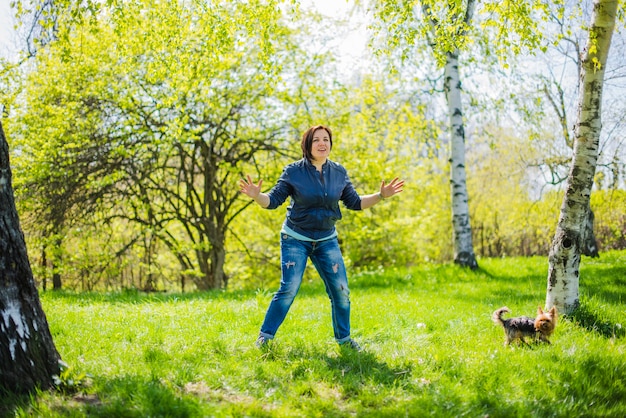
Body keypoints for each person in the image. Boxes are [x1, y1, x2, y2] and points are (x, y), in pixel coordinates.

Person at [239, 125, 404, 350]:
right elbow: (273, 201)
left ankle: (344, 340)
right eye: (316, 140)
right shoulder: (293, 171)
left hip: (327, 239)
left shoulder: (338, 172)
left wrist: (381, 196)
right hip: (295, 237)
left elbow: (355, 202)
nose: (321, 143)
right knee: (289, 288)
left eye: (325, 139)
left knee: (341, 291)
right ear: (307, 144)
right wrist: (257, 196)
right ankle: (265, 338)